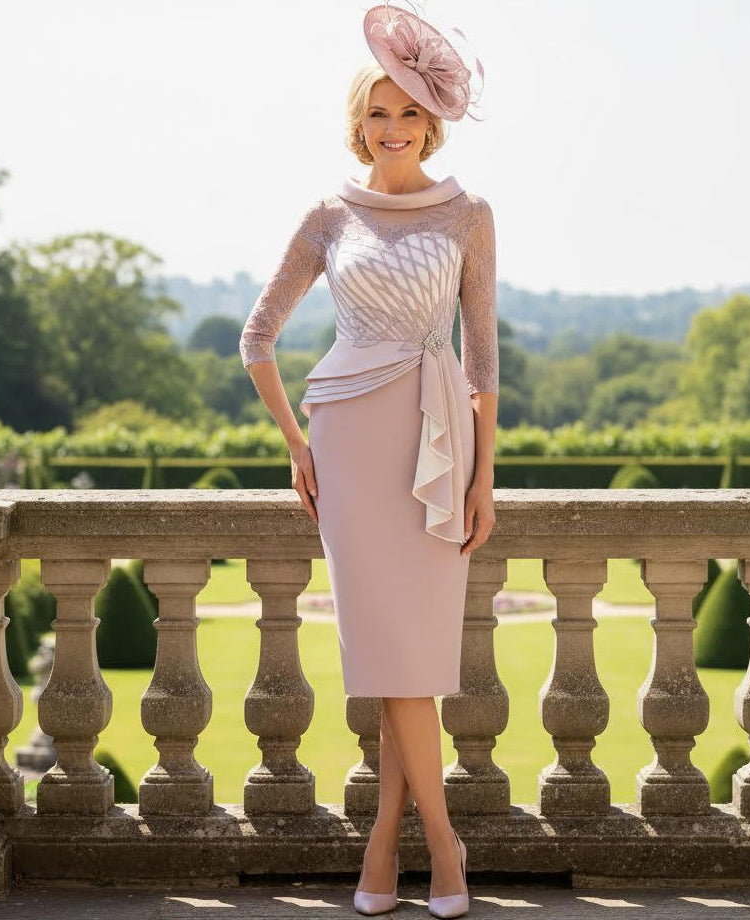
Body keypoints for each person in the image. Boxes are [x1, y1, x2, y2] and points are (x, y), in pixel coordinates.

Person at [239, 3, 498, 916]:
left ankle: (390, 843)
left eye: (409, 115)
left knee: (410, 663)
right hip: (347, 442)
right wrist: (297, 446)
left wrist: (483, 478)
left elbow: (483, 355)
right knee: (389, 659)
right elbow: (258, 336)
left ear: (432, 123)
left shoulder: (469, 214)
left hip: (437, 436)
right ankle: (439, 846)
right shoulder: (327, 214)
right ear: (361, 125)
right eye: (378, 114)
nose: (393, 129)